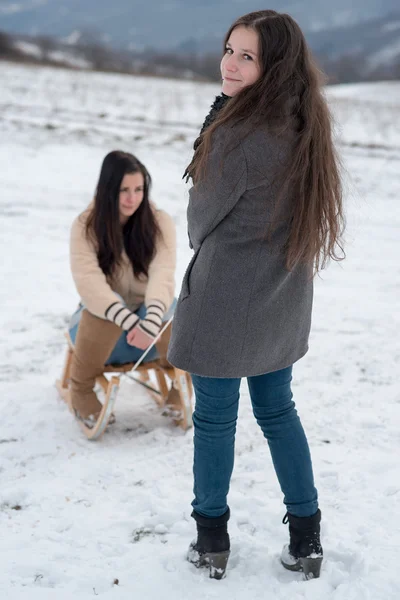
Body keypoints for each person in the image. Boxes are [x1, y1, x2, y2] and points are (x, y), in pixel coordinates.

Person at [167, 10, 344, 580]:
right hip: (282, 297)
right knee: (278, 412)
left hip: (225, 301)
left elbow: (199, 225)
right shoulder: (303, 122)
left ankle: (211, 541)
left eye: (247, 55)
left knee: (216, 421)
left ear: (273, 67)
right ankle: (307, 539)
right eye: (228, 49)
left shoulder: (237, 135)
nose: (230, 63)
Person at [68, 150, 176, 426]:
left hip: (148, 333)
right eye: (123, 190)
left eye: (139, 189)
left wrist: (150, 321)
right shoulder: (85, 226)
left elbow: (162, 274)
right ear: (107, 190)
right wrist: (128, 321)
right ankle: (80, 388)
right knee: (101, 304)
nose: (132, 198)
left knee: (173, 307)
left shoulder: (159, 222)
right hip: (100, 334)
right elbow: (89, 282)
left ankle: (178, 384)